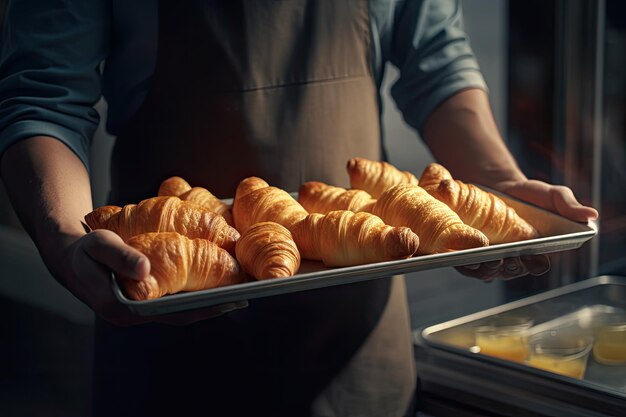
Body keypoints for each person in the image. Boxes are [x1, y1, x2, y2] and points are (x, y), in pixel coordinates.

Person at [0, 1, 598, 416]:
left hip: (358, 341)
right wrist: (62, 238)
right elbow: (42, 93)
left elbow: (436, 59)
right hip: (161, 309)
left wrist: (496, 184)